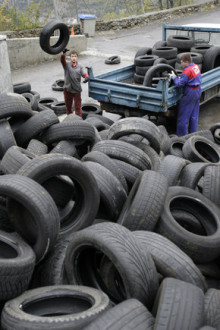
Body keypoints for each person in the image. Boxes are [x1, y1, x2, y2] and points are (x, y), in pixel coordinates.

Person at [169, 53, 202, 136]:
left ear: (186, 62)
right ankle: (192, 134)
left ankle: (181, 137)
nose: (181, 64)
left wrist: (174, 78)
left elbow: (180, 84)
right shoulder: (195, 66)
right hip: (198, 90)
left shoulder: (187, 71)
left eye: (182, 62)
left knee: (183, 116)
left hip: (190, 93)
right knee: (194, 115)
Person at [60, 49, 89, 116]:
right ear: (70, 57)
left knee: (78, 108)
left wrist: (86, 77)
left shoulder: (80, 67)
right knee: (68, 107)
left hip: (76, 90)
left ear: (77, 57)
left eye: (75, 56)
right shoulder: (66, 65)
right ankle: (70, 120)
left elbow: (84, 73)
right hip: (68, 89)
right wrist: (63, 53)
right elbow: (62, 60)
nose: (74, 58)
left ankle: (78, 120)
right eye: (72, 56)